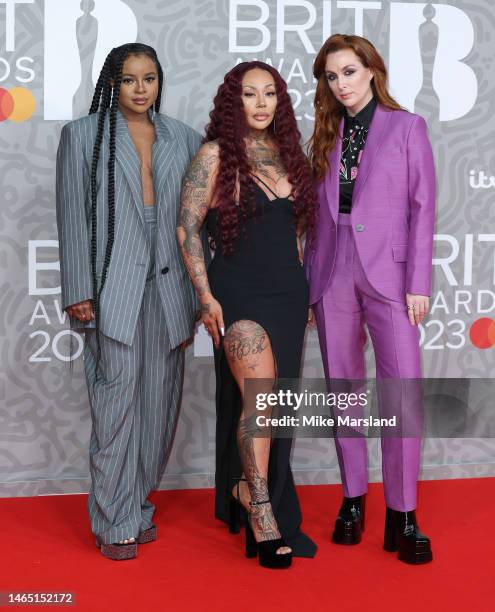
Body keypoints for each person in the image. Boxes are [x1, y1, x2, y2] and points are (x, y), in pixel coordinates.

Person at [56, 43, 202, 560]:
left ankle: (136, 506)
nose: (140, 89)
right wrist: (78, 290)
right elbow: (73, 215)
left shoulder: (183, 139)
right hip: (110, 291)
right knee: (116, 407)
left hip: (169, 291)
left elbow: (194, 225)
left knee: (158, 411)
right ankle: (113, 518)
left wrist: (203, 294)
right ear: (112, 84)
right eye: (129, 80)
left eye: (149, 78)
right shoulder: (82, 136)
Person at [177, 61, 317, 568]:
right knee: (260, 399)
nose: (261, 103)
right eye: (250, 95)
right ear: (233, 103)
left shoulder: (290, 156)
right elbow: (187, 229)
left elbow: (296, 234)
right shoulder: (214, 155)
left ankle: (248, 485)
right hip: (237, 294)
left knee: (276, 403)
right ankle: (260, 511)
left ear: (279, 102)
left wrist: (304, 291)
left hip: (288, 293)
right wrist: (205, 296)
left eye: (270, 94)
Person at [305, 34, 435, 564]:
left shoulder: (408, 128)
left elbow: (423, 206)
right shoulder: (323, 133)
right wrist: (309, 278)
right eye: (332, 77)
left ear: (372, 71)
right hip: (333, 271)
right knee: (344, 391)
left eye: (350, 72)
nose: (342, 85)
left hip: (392, 272)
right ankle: (353, 501)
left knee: (400, 394)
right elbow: (311, 215)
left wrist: (419, 282)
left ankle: (403, 516)